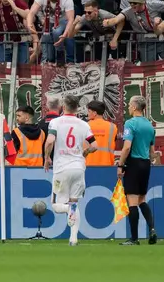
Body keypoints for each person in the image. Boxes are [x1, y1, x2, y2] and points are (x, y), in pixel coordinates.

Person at [43, 95, 98, 246]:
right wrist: (85, 153)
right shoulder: (83, 124)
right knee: (74, 202)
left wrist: (47, 158)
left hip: (62, 168)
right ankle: (73, 239)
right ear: (77, 108)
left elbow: (50, 141)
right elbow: (95, 145)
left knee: (56, 206)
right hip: (78, 168)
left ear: (63, 106)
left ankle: (68, 209)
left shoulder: (55, 122)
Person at [117, 96, 157, 246]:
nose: (128, 108)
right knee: (142, 200)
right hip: (146, 163)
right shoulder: (150, 126)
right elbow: (152, 151)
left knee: (132, 202)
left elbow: (127, 146)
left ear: (134, 107)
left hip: (133, 163)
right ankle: (152, 229)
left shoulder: (131, 123)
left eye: (129, 105)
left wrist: (120, 165)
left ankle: (134, 238)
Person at [85, 101, 117, 166]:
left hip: (88, 165)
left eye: (89, 111)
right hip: (107, 165)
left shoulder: (85, 126)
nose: (87, 114)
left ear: (94, 113)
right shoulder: (113, 127)